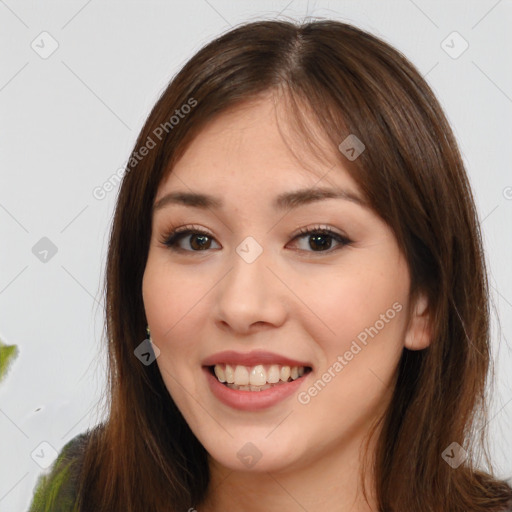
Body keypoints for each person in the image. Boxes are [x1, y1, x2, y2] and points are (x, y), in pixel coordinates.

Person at [28, 18, 512, 512]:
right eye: (196, 239)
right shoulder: (76, 494)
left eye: (318, 240)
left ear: (424, 302)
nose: (241, 306)